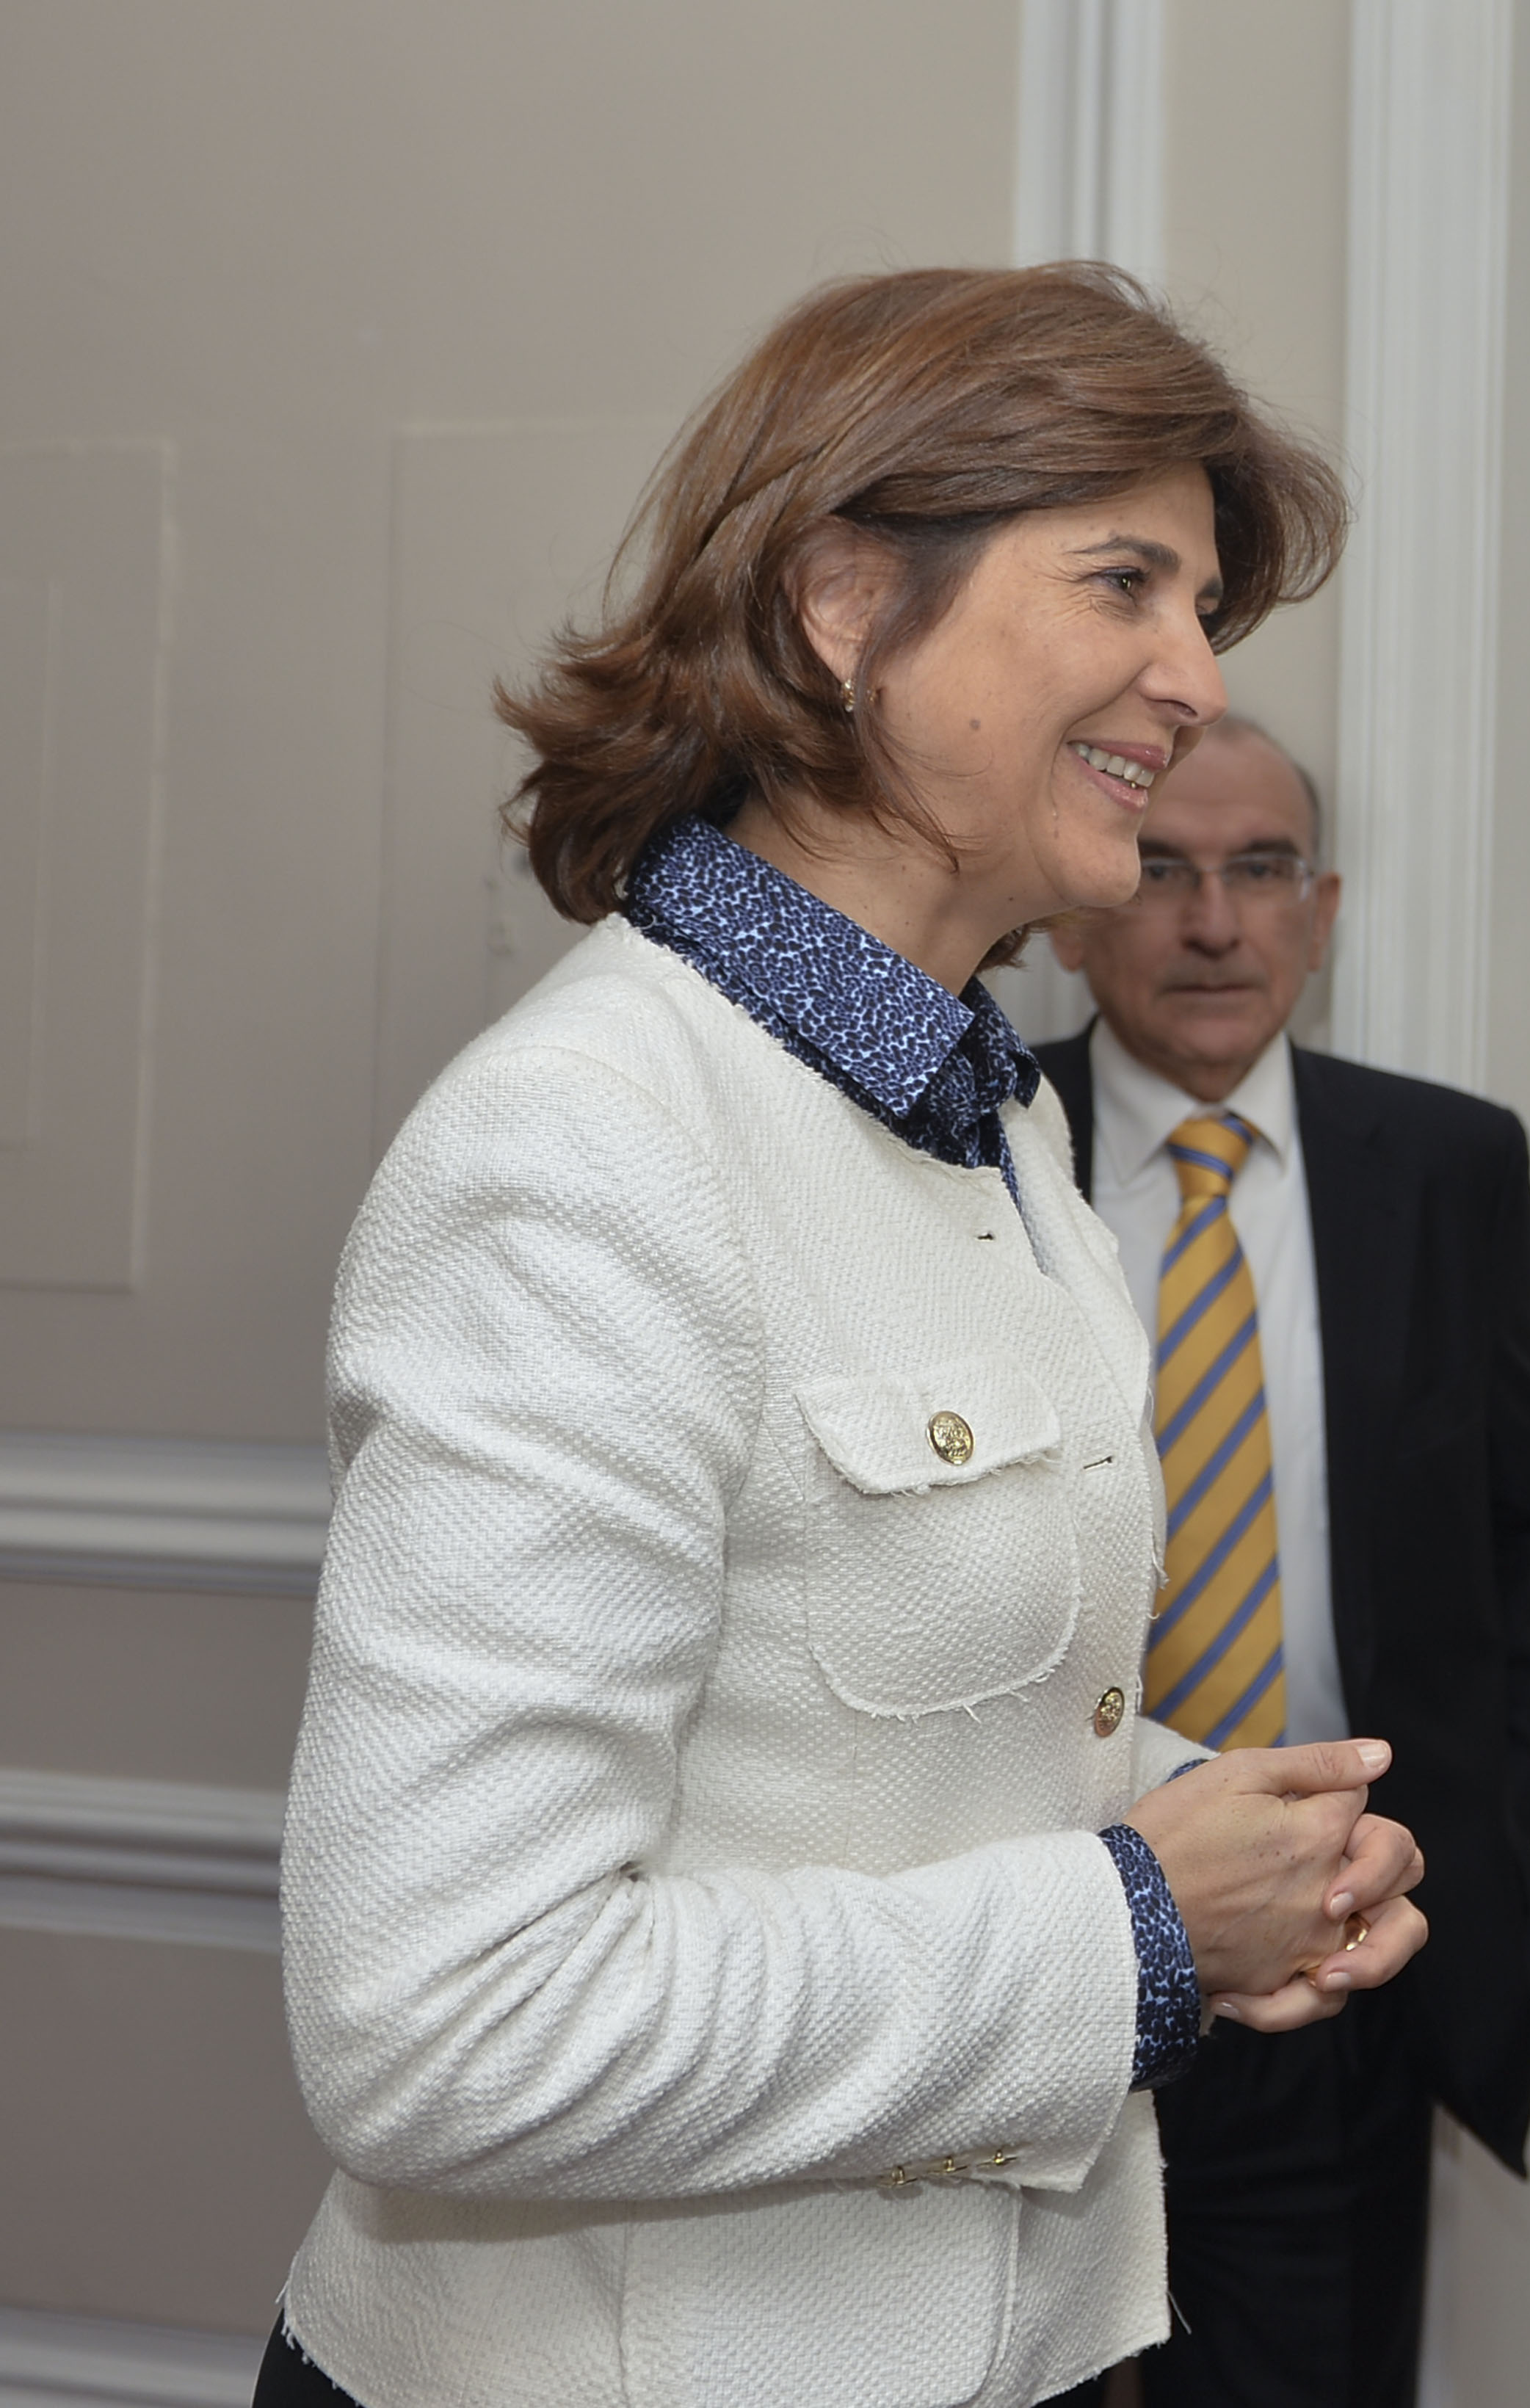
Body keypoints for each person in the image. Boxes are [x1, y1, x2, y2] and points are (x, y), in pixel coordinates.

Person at [265, 265, 1431, 2408]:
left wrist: (1224, 1829)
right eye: (1125, 586)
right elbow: (440, 2026)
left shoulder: (981, 1113)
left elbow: (860, 1729)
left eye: (1204, 613)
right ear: (841, 607)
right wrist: (1144, 1930)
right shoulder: (587, 1150)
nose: (1191, 679)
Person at [1032, 717, 1530, 2408]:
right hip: (1035, 1934)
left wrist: (1448, 1802)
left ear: (1326, 905)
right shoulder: (983, 1145)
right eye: (1157, 869)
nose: (1212, 921)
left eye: (1260, 869)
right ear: (1077, 913)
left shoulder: (1445, 1165)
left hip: (1327, 1956)